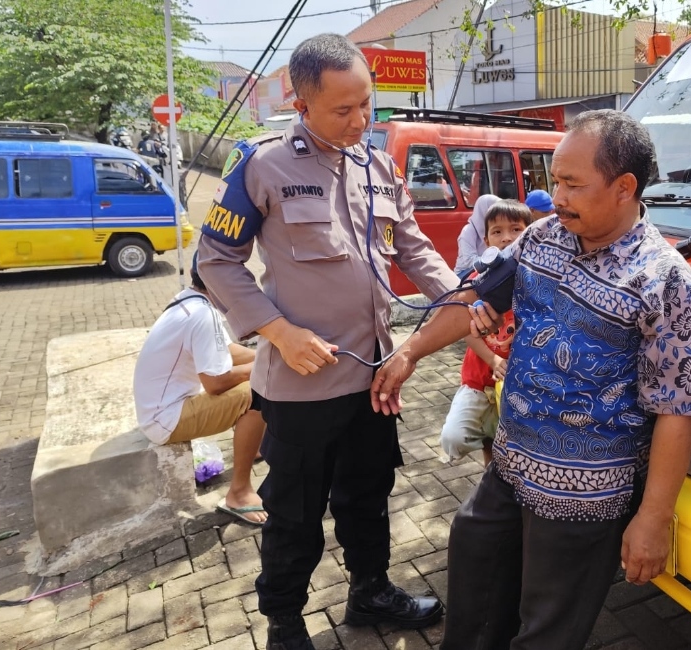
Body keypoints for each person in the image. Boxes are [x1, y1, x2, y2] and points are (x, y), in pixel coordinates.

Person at [371, 109, 691, 650]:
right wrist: (410, 352)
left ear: (624, 187)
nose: (557, 197)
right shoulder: (542, 238)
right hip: (512, 466)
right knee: (474, 582)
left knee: (545, 632)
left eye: (572, 184)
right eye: (554, 181)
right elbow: (476, 296)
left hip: (584, 497)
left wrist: (653, 519)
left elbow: (677, 411)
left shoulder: (668, 286)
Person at [195, 33, 455, 650]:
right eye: (343, 110)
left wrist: (461, 298)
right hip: (301, 385)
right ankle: (284, 623)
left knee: (369, 494)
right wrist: (278, 331)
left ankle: (370, 591)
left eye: (366, 104)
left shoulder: (378, 165)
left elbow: (414, 249)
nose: (360, 121)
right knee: (294, 513)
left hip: (372, 377)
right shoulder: (262, 164)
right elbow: (216, 261)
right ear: (301, 103)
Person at [133, 252, 266, 525]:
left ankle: (252, 446)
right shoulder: (203, 315)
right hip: (165, 420)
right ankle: (239, 493)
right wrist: (266, 368)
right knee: (258, 392)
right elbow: (216, 384)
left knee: (256, 378)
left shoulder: (188, 301)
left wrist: (269, 356)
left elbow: (226, 351)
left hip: (159, 410)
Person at [440, 200, 531, 466]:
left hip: (518, 383)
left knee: (508, 443)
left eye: (516, 230)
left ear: (531, 233)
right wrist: (493, 360)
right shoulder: (476, 282)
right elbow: (465, 330)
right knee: (455, 437)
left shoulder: (535, 281)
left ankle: (496, 478)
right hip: (478, 380)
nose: (507, 238)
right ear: (486, 240)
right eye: (497, 231)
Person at [452, 193, 500, 279]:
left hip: (484, 268)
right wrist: (493, 259)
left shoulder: (493, 228)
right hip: (465, 273)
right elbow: (469, 261)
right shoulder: (468, 231)